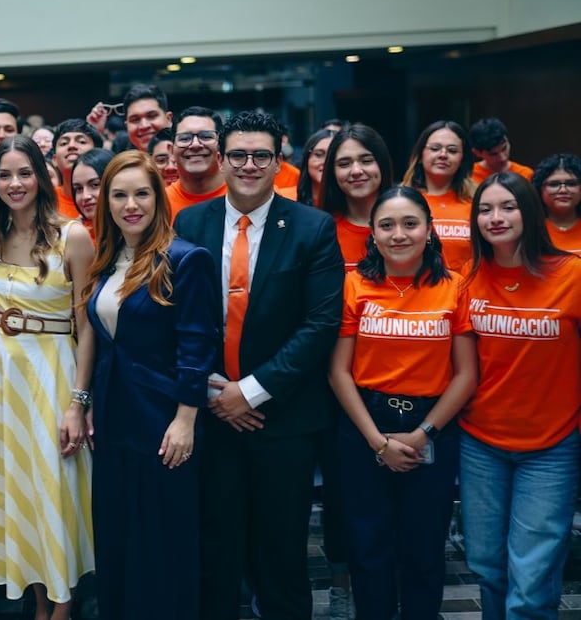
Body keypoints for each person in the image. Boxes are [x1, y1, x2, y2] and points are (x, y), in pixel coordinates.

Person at [173, 111, 344, 619]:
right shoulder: (190, 223)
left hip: (283, 420)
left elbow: (319, 325)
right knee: (215, 556)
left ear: (278, 161)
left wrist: (248, 391)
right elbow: (178, 317)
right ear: (221, 160)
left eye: (261, 156)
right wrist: (212, 390)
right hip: (211, 417)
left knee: (281, 558)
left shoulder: (312, 227)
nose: (249, 165)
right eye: (239, 155)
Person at [328, 186, 477, 619]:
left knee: (424, 548)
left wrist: (422, 434)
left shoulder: (454, 287)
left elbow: (466, 374)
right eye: (387, 225)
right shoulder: (355, 285)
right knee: (368, 547)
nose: (399, 234)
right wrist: (378, 442)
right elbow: (338, 372)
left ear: (429, 230)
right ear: (372, 234)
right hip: (364, 425)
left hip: (432, 425)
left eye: (410, 224)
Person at [84, 150, 218, 619]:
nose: (131, 205)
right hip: (113, 420)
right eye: (119, 195)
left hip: (162, 423)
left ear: (159, 198)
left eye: (141, 193)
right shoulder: (106, 260)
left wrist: (185, 419)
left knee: (161, 545)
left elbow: (198, 345)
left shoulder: (185, 258)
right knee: (117, 539)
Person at [0, 135, 94, 620]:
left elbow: (87, 327)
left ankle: (62, 605)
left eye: (24, 173)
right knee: (15, 485)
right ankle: (40, 601)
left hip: (52, 370)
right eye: (4, 175)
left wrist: (78, 401)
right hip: (2, 377)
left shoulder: (72, 236)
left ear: (41, 177)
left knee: (52, 484)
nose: (14, 183)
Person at [460, 172, 581, 620]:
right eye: (485, 209)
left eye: (508, 207)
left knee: (531, 579)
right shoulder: (468, 277)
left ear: (529, 211)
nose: (496, 217)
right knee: (487, 566)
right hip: (480, 443)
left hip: (551, 446)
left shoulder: (572, 273)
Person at [401, 121, 475, 271]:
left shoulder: (478, 202)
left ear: (462, 159)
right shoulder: (400, 201)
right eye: (435, 148)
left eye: (452, 150)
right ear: (420, 155)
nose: (443, 155)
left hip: (466, 285)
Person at [320, 124, 395, 271]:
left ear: (382, 164)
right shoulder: (321, 232)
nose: (356, 171)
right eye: (344, 164)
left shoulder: (410, 225)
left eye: (366, 161)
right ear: (332, 172)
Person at [166, 107, 225, 221]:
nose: (195, 145)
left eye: (206, 137)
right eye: (185, 138)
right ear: (171, 151)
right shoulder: (160, 203)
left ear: (222, 146)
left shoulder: (241, 196)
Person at [51, 119, 103, 219]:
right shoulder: (44, 201)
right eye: (64, 143)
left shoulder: (111, 197)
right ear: (54, 160)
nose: (72, 146)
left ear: (97, 153)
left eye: (82, 142)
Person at [532, 153, 581, 255]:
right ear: (539, 189)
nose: (563, 190)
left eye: (571, 184)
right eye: (554, 184)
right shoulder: (529, 229)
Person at [468, 117, 533, 183]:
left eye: (504, 148)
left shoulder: (525, 175)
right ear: (477, 153)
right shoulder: (469, 176)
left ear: (508, 141)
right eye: (493, 154)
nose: (502, 158)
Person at [69, 148, 114, 237]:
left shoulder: (134, 234)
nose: (85, 196)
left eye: (95, 185)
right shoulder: (72, 235)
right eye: (79, 189)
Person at [289, 128, 336, 206]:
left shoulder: (353, 203)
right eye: (319, 155)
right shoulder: (285, 198)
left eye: (332, 156)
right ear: (307, 158)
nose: (326, 162)